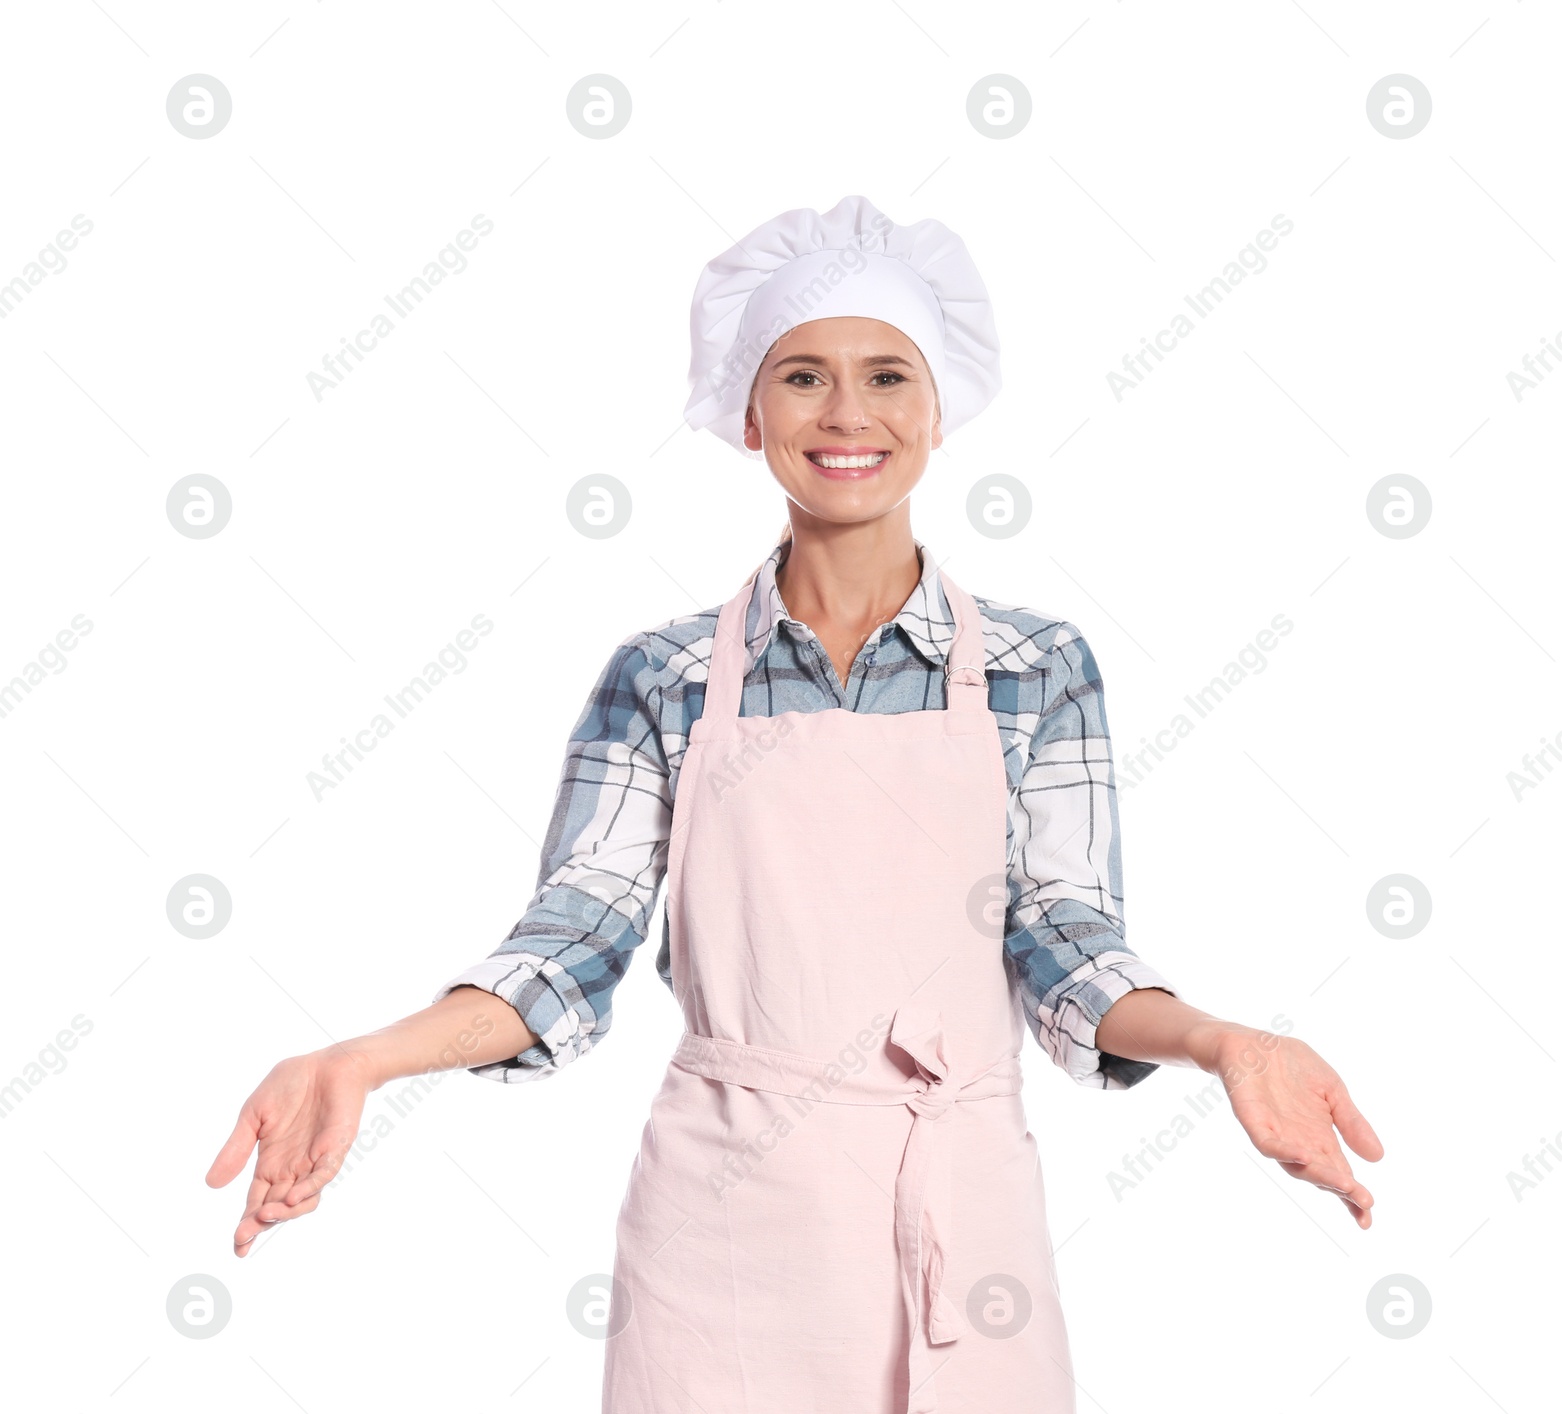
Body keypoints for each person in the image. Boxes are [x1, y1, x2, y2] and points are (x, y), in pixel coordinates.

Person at [207, 195, 1383, 1413]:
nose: (846, 413)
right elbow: (570, 945)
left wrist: (1223, 1041)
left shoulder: (1040, 667)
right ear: (750, 412)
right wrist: (369, 1058)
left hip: (959, 1205)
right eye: (804, 375)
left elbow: (1065, 945)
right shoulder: (661, 676)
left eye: (886, 376)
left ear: (939, 412)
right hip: (722, 1229)